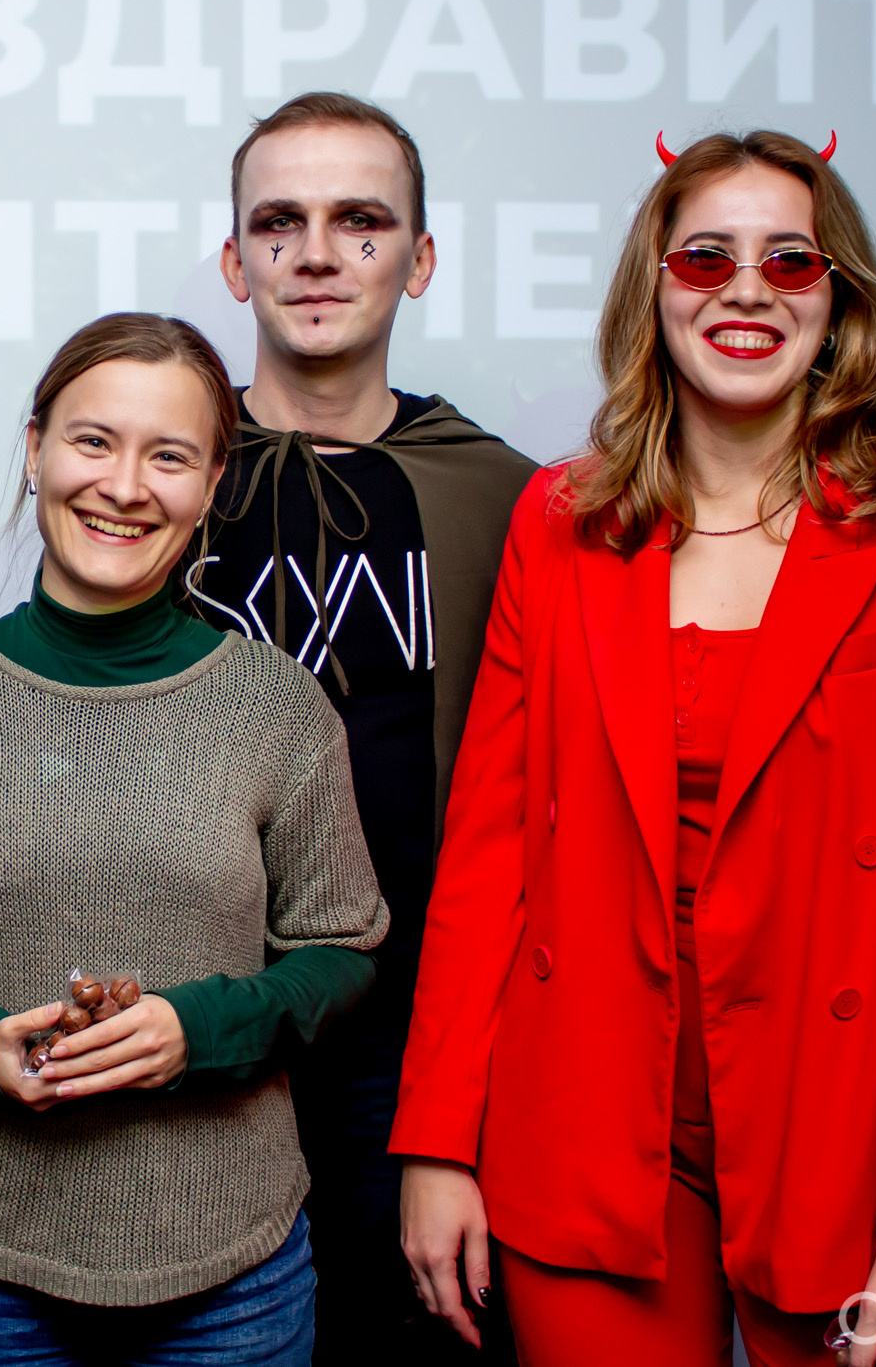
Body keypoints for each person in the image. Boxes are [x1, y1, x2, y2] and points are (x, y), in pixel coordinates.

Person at [396, 131, 876, 1367]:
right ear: (654, 288)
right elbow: (488, 851)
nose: (746, 288)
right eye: (705, 256)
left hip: (842, 1130)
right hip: (584, 1122)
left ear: (837, 297)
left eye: (788, 260)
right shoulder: (561, 518)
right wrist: (437, 1138)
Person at [0, 312, 390, 1367]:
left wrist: (200, 1029)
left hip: (232, 1279)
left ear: (212, 483)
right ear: (35, 449)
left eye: (170, 456)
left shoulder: (276, 707)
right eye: (93, 440)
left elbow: (343, 949)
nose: (125, 485)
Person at [181, 91, 535, 1363]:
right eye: (278, 221)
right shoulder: (156, 473)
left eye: (361, 221)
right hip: (197, 1005)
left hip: (413, 1026)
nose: (317, 252)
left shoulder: (503, 494)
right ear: (235, 262)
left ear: (419, 258)